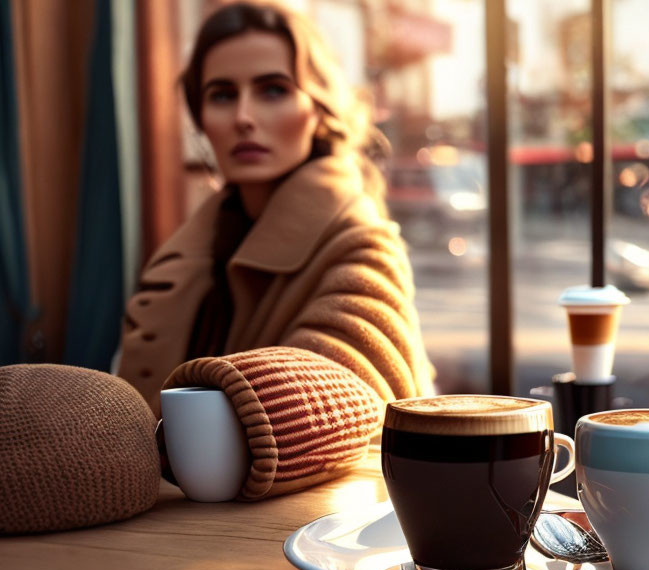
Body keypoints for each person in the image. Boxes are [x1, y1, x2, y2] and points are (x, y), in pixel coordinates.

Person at [118, 2, 434, 416]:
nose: (243, 117)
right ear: (202, 119)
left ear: (318, 110)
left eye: (273, 90)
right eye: (222, 95)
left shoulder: (359, 247)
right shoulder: (188, 256)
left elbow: (339, 403)